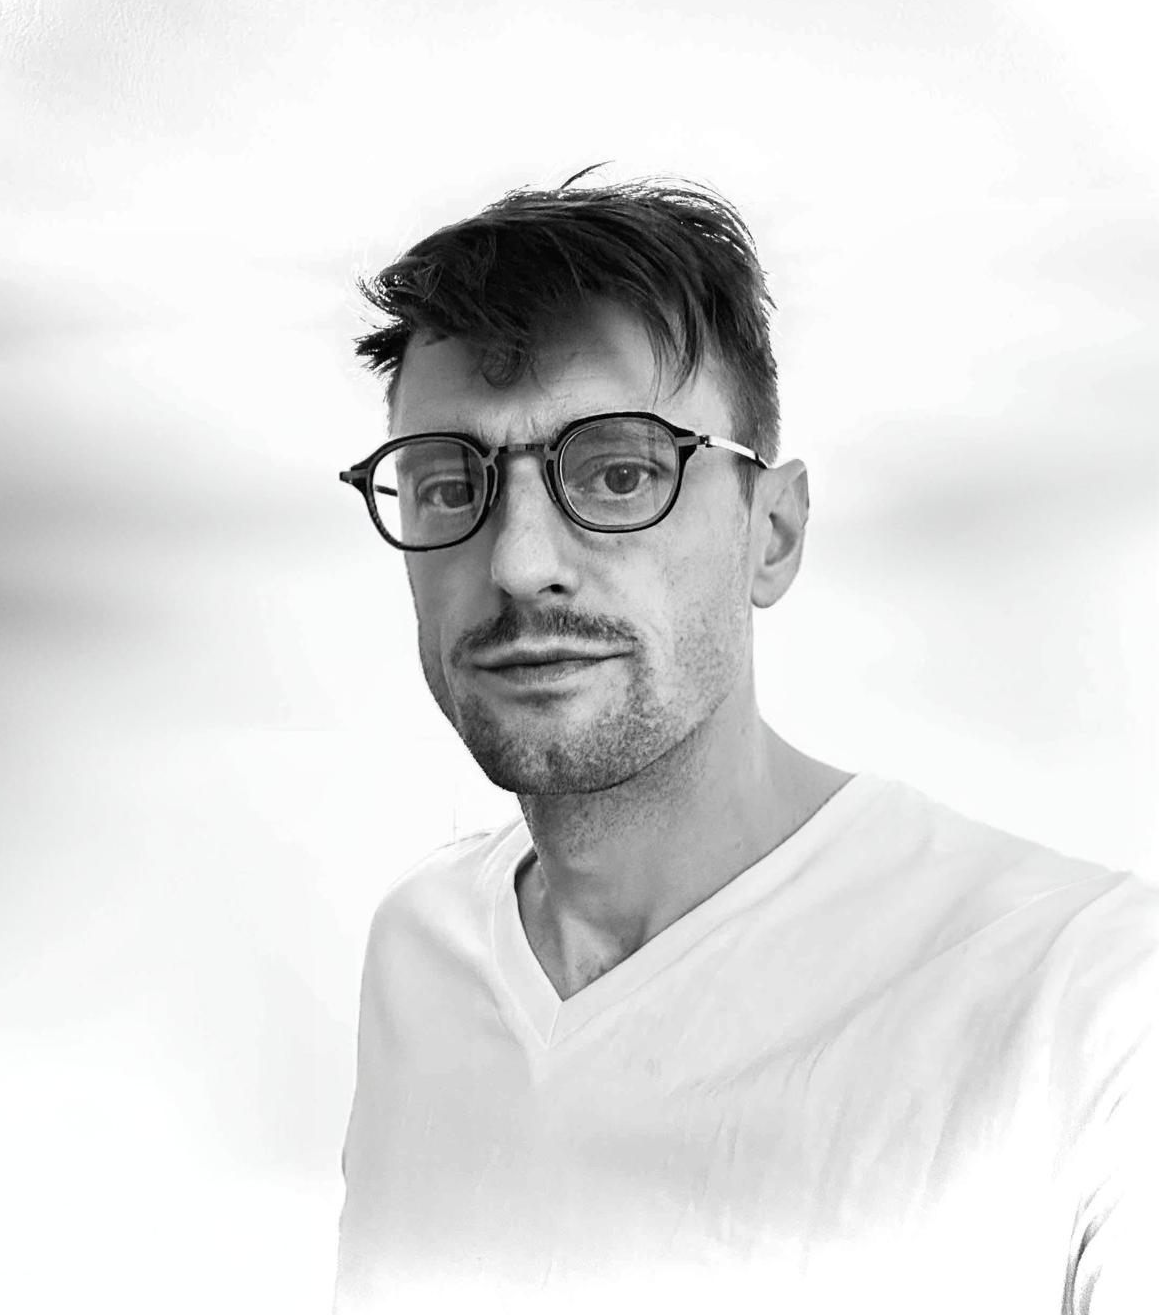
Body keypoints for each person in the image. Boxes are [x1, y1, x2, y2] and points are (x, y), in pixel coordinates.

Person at [331, 172, 1157, 1315]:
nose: (518, 563)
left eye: (618, 473)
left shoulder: (1091, 994)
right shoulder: (418, 952)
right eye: (445, 483)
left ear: (772, 534)